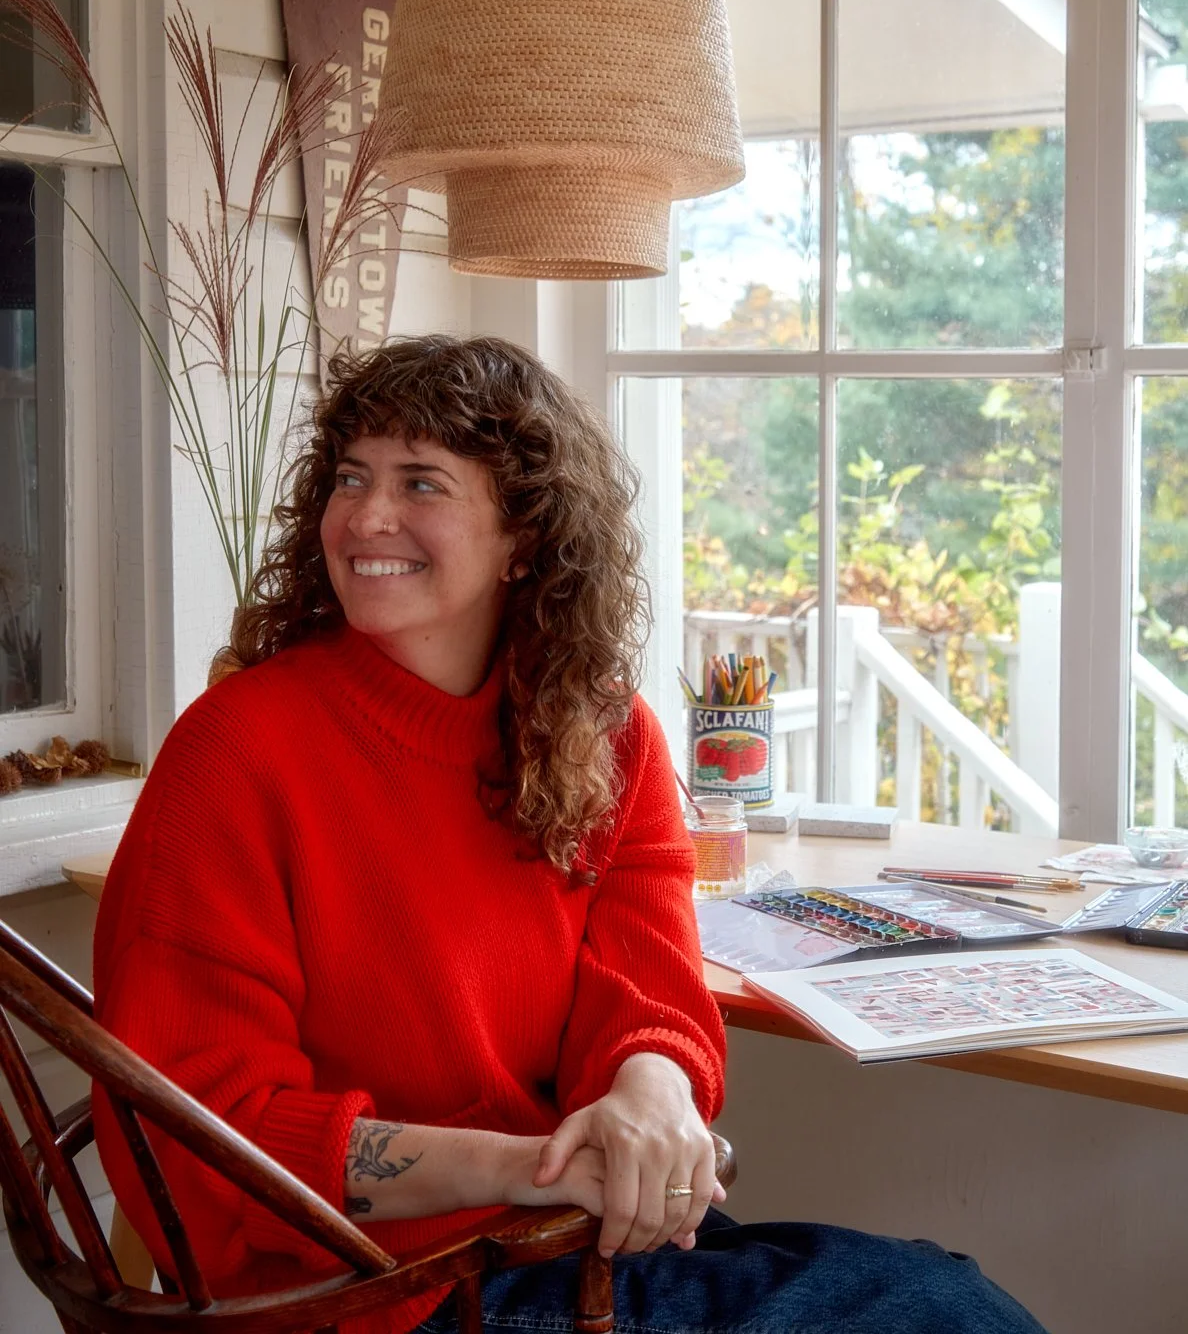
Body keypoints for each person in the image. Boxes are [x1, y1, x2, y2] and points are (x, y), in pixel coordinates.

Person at [93, 334, 1048, 1334]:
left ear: (525, 537)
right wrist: (540, 1168)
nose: (367, 516)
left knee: (942, 1292)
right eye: (350, 477)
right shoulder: (237, 750)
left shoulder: (606, 735)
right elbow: (202, 1131)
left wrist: (652, 1096)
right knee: (944, 1312)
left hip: (554, 1242)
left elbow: (648, 1000)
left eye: (421, 483)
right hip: (367, 1292)